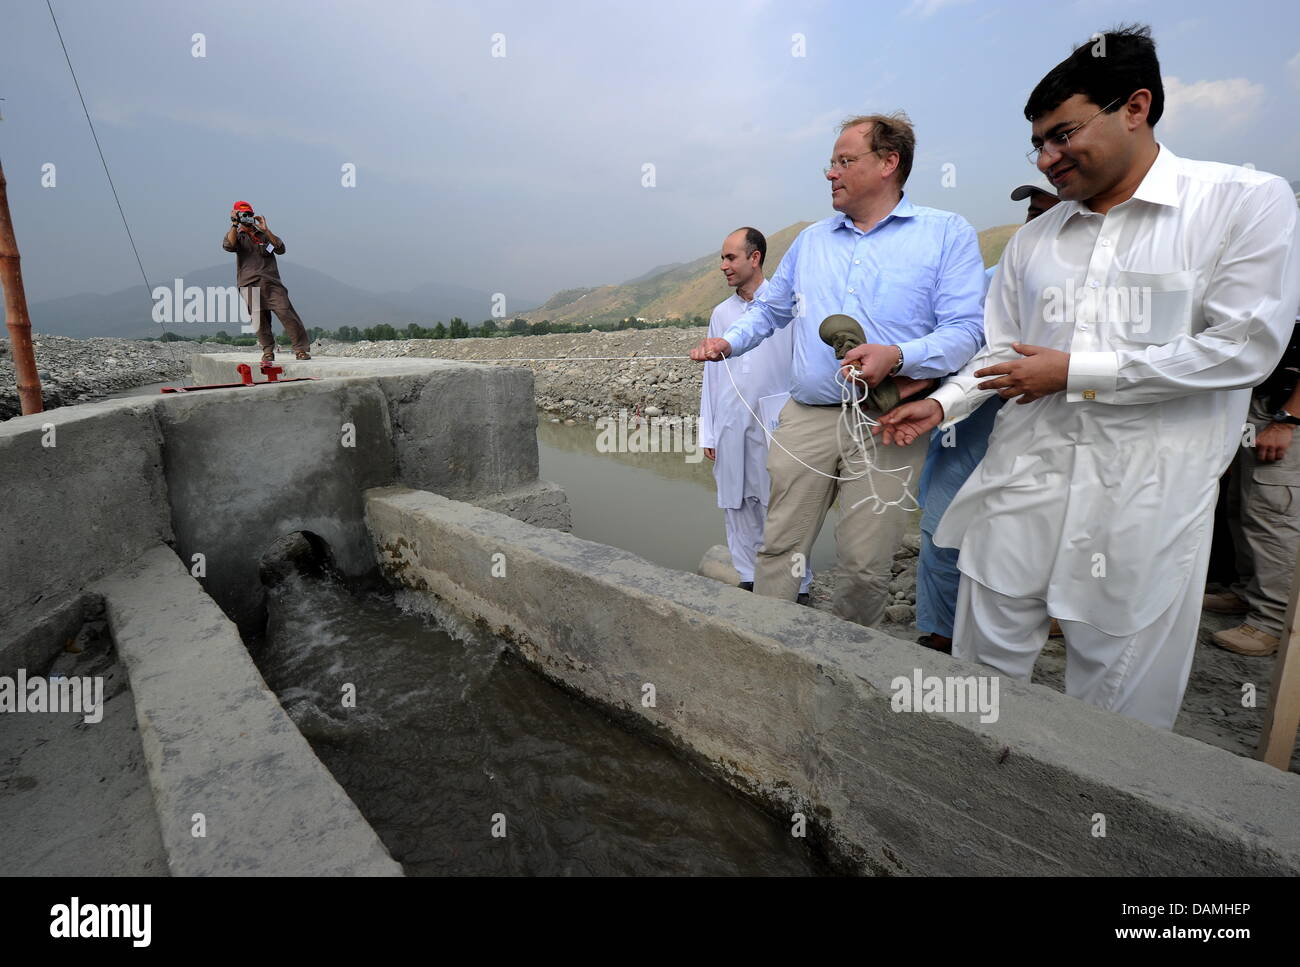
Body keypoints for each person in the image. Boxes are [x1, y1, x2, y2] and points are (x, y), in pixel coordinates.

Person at [875, 25, 1300, 729]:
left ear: (1136, 106)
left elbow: (1242, 348)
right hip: (1021, 488)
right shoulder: (1037, 239)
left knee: (1118, 716)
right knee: (981, 688)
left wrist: (1076, 372)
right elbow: (1003, 351)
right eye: (1037, 144)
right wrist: (945, 403)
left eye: (1062, 135)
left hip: (1144, 507)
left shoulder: (1241, 204)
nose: (1047, 159)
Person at [690, 112, 985, 628]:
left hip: (887, 424)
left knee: (865, 565)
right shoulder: (812, 241)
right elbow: (770, 309)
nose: (831, 173)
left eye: (845, 161)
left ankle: (849, 664)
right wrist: (728, 343)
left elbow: (966, 331)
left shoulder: (945, 235)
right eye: (831, 163)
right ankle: (768, 644)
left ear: (889, 163)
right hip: (807, 416)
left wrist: (897, 356)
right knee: (780, 542)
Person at [914, 180, 1060, 653]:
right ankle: (941, 632)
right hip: (969, 422)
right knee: (942, 523)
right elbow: (958, 342)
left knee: (1026, 540)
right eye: (1031, 213)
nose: (1034, 223)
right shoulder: (991, 279)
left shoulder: (1092, 295)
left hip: (1045, 431)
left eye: (1049, 213)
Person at [698, 228, 812, 602]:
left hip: (777, 421)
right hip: (731, 421)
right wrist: (709, 432)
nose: (723, 266)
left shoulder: (787, 306)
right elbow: (712, 376)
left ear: (755, 258)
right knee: (737, 499)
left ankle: (799, 583)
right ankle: (749, 575)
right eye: (722, 258)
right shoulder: (721, 313)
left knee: (781, 503)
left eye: (730, 258)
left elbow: (803, 361)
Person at [1205, 306, 1300, 656]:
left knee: (1273, 515)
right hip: (1261, 398)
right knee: (1241, 503)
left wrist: (1289, 420)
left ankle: (1272, 622)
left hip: (1285, 411)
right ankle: (1246, 591)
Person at [222, 201, 312, 361]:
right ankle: (268, 350)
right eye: (243, 215)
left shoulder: (263, 235)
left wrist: (266, 229)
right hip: (249, 283)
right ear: (236, 215)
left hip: (272, 283)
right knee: (259, 318)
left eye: (249, 214)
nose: (247, 218)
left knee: (286, 312)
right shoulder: (236, 235)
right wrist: (234, 224)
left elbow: (280, 248)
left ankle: (300, 349)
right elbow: (229, 246)